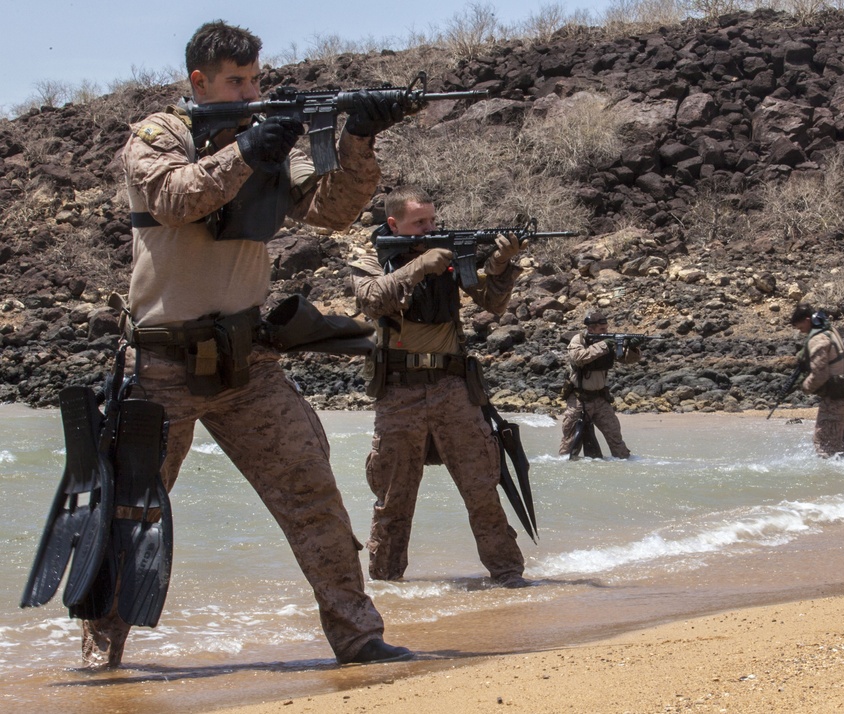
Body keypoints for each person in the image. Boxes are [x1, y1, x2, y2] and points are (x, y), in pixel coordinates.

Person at [87, 20, 411, 668]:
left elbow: (331, 210)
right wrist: (252, 146)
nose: (250, 90)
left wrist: (360, 140)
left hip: (248, 364)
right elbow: (178, 197)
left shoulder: (260, 138)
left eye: (256, 79)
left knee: (312, 492)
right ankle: (103, 656)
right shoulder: (157, 137)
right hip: (163, 364)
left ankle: (359, 638)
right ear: (199, 81)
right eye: (237, 81)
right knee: (132, 512)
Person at [350, 185, 529, 588]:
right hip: (398, 391)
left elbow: (492, 302)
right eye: (420, 223)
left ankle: (509, 576)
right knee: (394, 498)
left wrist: (500, 265)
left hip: (452, 388)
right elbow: (373, 301)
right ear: (394, 224)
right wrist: (420, 266)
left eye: (433, 220)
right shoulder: (371, 258)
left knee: (482, 486)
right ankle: (386, 584)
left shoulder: (450, 257)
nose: (430, 227)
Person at [558, 310, 640, 459]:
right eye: (602, 330)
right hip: (579, 399)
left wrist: (633, 348)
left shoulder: (607, 341)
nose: (606, 332)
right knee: (570, 441)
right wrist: (603, 345)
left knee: (615, 436)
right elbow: (578, 357)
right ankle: (564, 468)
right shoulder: (579, 340)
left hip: (600, 399)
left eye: (606, 329)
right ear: (591, 329)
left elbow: (626, 359)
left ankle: (624, 464)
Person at [790, 303, 844, 457]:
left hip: (835, 398)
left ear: (807, 320)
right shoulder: (830, 330)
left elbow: (819, 374)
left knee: (824, 444)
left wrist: (805, 386)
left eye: (800, 327)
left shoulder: (818, 339)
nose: (800, 331)